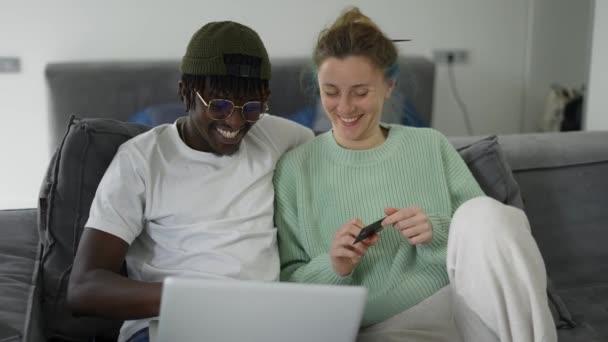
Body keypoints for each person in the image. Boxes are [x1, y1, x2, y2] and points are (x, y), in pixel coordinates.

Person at [274, 7, 557, 342]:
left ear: (389, 85)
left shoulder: (429, 144)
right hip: (379, 326)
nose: (345, 107)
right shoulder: (295, 168)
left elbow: (487, 241)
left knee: (488, 214)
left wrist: (435, 230)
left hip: (463, 303)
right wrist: (335, 266)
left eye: (361, 92)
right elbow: (286, 283)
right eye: (331, 92)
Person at [67, 21, 314, 342]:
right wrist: (194, 297)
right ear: (185, 93)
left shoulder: (286, 138)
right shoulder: (141, 160)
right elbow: (84, 287)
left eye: (251, 108)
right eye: (220, 105)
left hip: (260, 327)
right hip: (165, 327)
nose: (236, 122)